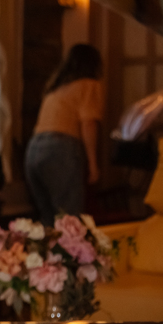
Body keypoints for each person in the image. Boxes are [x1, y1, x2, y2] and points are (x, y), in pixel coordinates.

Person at [25, 43, 104, 226]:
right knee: (69, 219)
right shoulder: (89, 85)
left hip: (34, 149)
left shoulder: (55, 88)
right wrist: (93, 164)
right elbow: (88, 123)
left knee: (48, 218)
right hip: (60, 148)